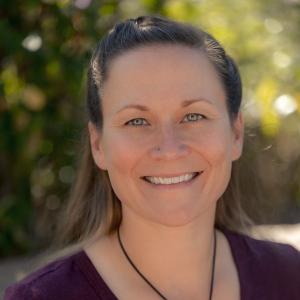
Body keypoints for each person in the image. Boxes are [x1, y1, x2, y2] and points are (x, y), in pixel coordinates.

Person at [4, 15, 300, 300]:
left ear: (235, 134)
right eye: (136, 121)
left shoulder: (289, 276)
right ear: (98, 145)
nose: (169, 148)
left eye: (193, 116)